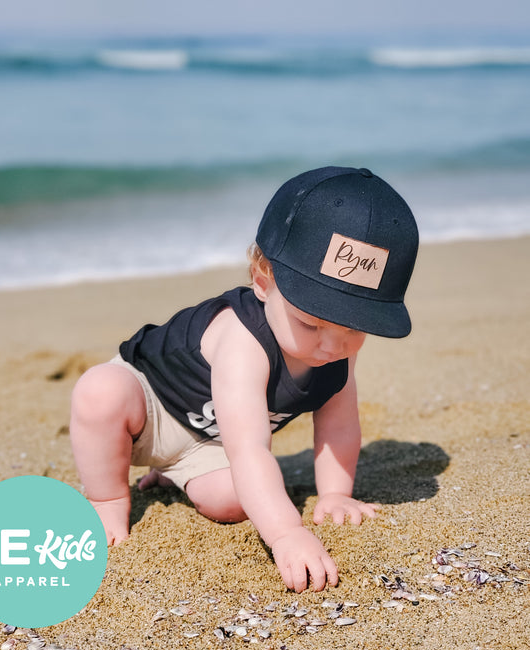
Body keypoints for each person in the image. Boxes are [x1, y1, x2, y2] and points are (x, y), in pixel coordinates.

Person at [70, 166, 419, 593]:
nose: (332, 345)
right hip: (151, 412)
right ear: (262, 281)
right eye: (311, 324)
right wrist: (287, 534)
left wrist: (334, 494)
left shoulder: (335, 352)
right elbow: (251, 448)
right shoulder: (242, 340)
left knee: (237, 502)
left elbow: (339, 425)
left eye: (353, 328)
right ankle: (106, 500)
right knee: (98, 392)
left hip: (211, 442)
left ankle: (174, 475)